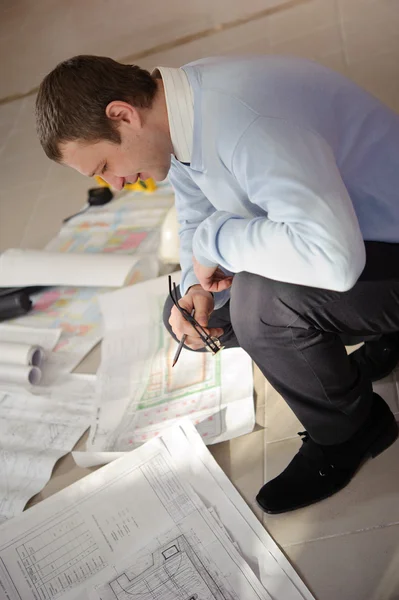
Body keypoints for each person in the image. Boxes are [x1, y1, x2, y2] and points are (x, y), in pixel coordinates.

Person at [35, 54, 399, 514]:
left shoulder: (245, 121)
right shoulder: (179, 110)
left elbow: (334, 261)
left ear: (122, 115)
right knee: (205, 315)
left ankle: (353, 429)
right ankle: (387, 334)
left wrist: (215, 242)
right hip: (369, 231)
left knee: (260, 306)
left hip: (369, 243)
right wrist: (196, 290)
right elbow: (196, 216)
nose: (117, 182)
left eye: (105, 164)